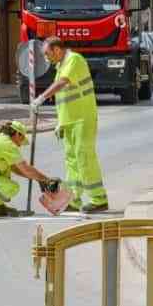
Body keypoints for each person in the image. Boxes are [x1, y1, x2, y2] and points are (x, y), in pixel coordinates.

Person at [31, 36, 109, 213]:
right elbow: (64, 99)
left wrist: (42, 97)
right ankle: (73, 199)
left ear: (57, 50)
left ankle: (99, 199)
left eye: (47, 54)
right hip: (69, 121)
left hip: (83, 118)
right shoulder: (60, 66)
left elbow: (62, 83)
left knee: (85, 159)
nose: (46, 58)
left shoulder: (74, 59)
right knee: (72, 162)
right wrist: (60, 123)